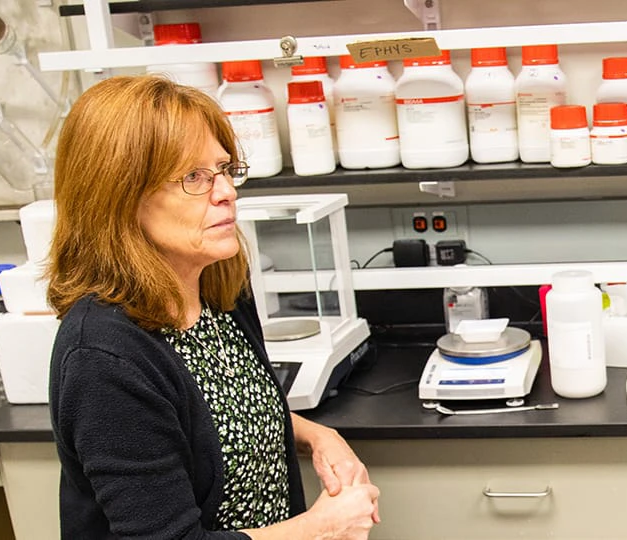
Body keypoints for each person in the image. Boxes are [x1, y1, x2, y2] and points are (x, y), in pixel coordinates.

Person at [46, 75, 380, 539]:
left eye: (223, 169)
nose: (226, 192)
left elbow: (219, 420)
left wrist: (317, 436)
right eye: (193, 177)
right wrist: (322, 527)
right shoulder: (104, 358)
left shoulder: (219, 292)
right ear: (118, 196)